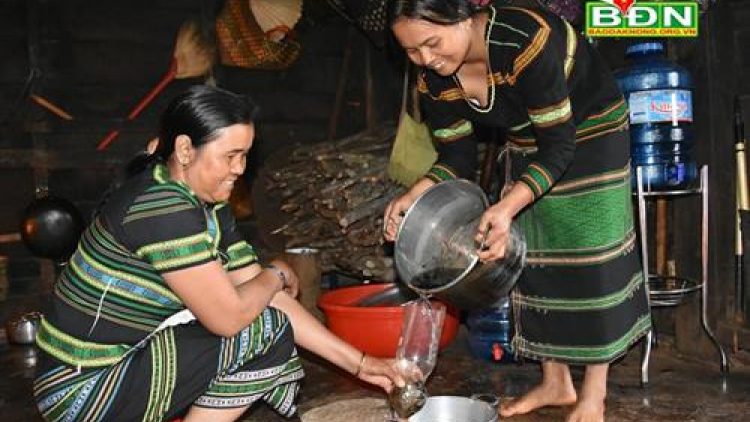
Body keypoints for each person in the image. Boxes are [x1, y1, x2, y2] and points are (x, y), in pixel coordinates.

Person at [33, 85, 403, 422]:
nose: (240, 169)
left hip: (117, 365)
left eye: (245, 155)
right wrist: (274, 274)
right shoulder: (163, 208)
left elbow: (264, 299)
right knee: (261, 329)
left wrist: (362, 364)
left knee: (268, 324)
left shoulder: (206, 204)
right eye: (230, 156)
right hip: (80, 393)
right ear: (184, 150)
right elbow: (231, 318)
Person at [383, 1, 651, 421]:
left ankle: (594, 393)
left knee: (590, 253)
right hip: (533, 136)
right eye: (411, 51)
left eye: (431, 43)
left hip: (592, 127)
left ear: (463, 16)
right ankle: (556, 383)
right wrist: (417, 192)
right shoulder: (432, 81)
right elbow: (457, 155)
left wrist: (507, 204)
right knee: (534, 254)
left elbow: (560, 144)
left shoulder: (523, 40)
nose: (425, 59)